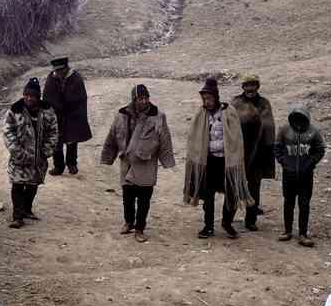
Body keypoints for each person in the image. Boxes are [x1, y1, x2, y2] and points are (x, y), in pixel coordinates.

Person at [100, 83, 176, 242]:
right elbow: (113, 135)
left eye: (146, 98)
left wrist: (167, 161)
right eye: (140, 98)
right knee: (127, 195)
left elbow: (165, 139)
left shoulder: (158, 116)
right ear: (134, 99)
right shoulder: (121, 115)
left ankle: (140, 228)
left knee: (144, 198)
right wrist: (108, 156)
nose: (144, 101)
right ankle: (129, 222)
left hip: (146, 162)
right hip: (127, 161)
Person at [182, 78, 253, 239]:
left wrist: (235, 157)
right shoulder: (201, 114)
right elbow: (195, 136)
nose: (206, 101)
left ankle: (227, 223)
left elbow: (236, 137)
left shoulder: (229, 112)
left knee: (231, 193)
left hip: (227, 162)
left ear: (216, 96)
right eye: (204, 98)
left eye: (209, 98)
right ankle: (208, 226)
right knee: (208, 196)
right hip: (209, 161)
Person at [2, 78, 59, 229]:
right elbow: (8, 133)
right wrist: (17, 152)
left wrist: (46, 151)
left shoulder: (47, 111)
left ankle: (27, 209)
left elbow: (53, 132)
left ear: (38, 96)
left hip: (38, 159)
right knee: (18, 185)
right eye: (26, 95)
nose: (28, 98)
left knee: (33, 184)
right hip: (19, 158)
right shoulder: (15, 111)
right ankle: (17, 217)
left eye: (32, 96)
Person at [229, 74, 276, 232]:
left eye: (252, 85)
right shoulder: (236, 103)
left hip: (258, 152)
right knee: (235, 185)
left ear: (257, 86)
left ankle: (251, 219)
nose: (249, 88)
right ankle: (228, 219)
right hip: (240, 152)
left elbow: (268, 126)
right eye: (246, 85)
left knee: (254, 186)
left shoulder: (264, 103)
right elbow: (230, 125)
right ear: (243, 87)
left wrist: (268, 149)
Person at [274, 104, 326, 247]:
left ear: (306, 119)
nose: (298, 122)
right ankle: (287, 231)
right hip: (288, 174)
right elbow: (277, 147)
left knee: (304, 204)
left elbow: (320, 150)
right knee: (288, 202)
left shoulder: (313, 132)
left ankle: (303, 233)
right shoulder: (284, 130)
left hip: (306, 175)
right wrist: (284, 163)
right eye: (295, 118)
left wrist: (311, 163)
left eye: (301, 119)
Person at [43, 57, 92, 176]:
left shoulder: (76, 78)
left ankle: (72, 164)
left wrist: (71, 109)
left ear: (66, 68)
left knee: (72, 140)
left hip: (72, 114)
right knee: (56, 142)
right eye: (57, 70)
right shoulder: (51, 79)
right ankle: (58, 166)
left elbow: (80, 98)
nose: (58, 72)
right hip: (57, 115)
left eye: (61, 70)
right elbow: (47, 98)